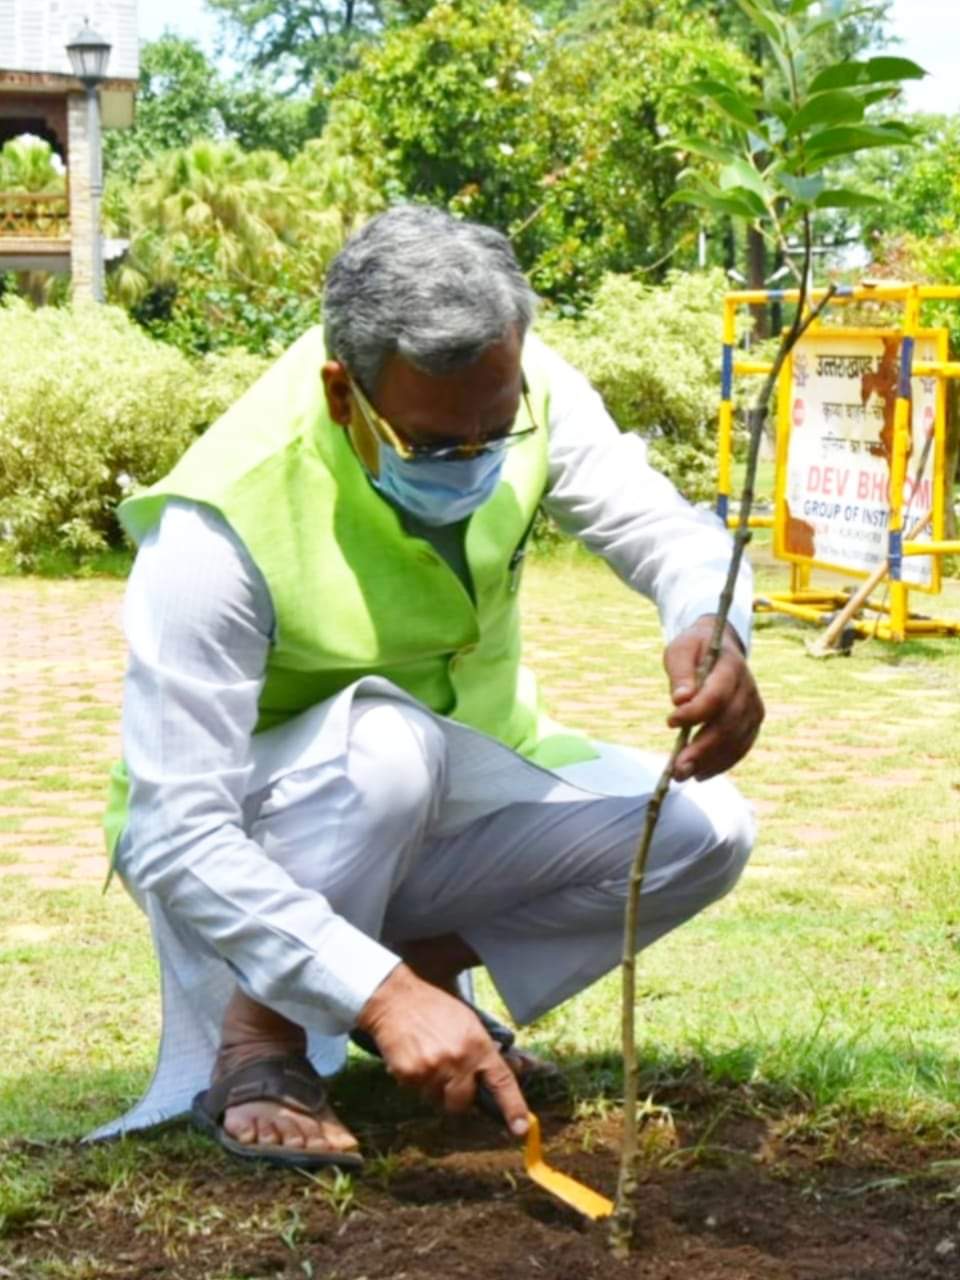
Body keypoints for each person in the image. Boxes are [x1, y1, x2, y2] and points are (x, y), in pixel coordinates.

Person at [93, 205, 763, 1168]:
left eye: (497, 431)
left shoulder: (523, 390)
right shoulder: (217, 529)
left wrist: (711, 625)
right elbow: (172, 832)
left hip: (458, 790)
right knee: (389, 751)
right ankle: (262, 1041)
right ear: (341, 394)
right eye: (436, 446)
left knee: (706, 833)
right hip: (267, 830)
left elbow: (665, 533)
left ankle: (409, 971)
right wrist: (378, 997)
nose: (480, 462)